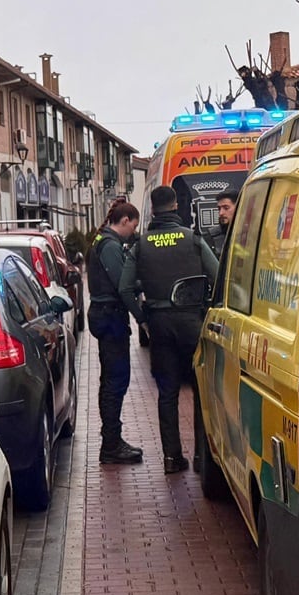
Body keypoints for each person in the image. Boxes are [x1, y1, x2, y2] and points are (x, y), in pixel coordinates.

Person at [121, 185, 220, 474]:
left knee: (167, 393)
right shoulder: (193, 239)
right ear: (176, 206)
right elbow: (217, 275)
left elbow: (125, 289)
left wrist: (143, 318)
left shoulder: (141, 245)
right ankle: (202, 457)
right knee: (200, 389)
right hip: (191, 322)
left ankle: (172, 458)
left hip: (160, 324)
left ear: (152, 210)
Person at [87, 202, 144, 466]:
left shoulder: (103, 240)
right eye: (134, 225)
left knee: (110, 380)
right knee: (116, 381)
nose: (134, 231)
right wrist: (141, 312)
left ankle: (111, 440)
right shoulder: (110, 246)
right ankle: (111, 445)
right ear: (124, 220)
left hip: (104, 316)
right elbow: (123, 284)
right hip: (110, 318)